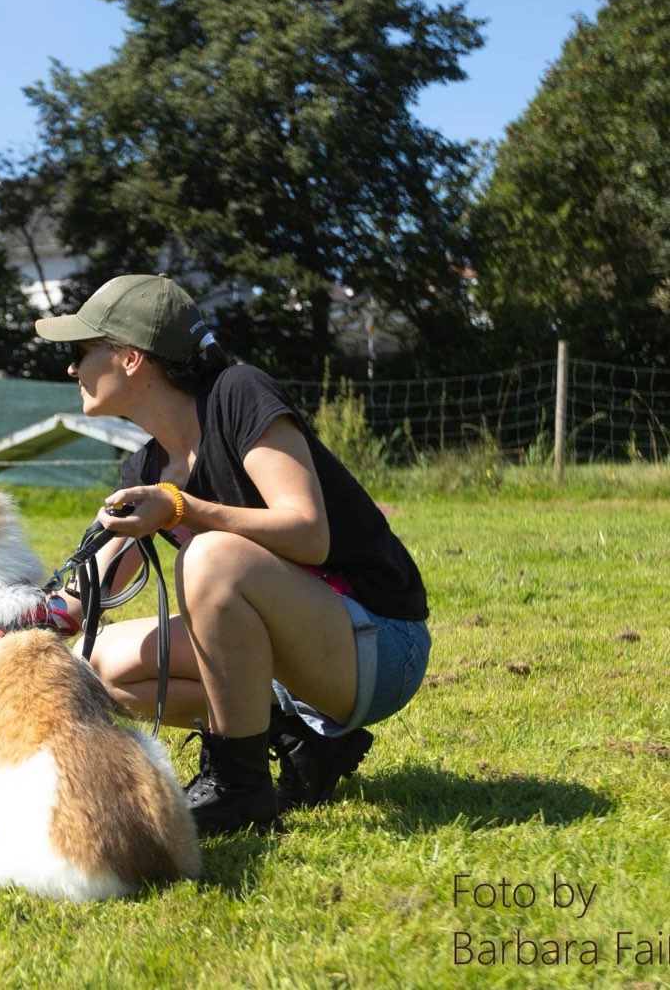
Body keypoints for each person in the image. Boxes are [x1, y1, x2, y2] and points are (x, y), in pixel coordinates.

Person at [35, 274, 430, 835]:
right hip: (304, 658)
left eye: (81, 352)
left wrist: (180, 508)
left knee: (212, 559)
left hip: (381, 647)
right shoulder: (143, 469)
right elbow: (81, 596)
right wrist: (9, 614)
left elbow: (308, 532)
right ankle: (298, 742)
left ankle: (239, 788)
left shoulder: (239, 393)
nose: (71, 369)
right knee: (96, 666)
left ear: (129, 358)